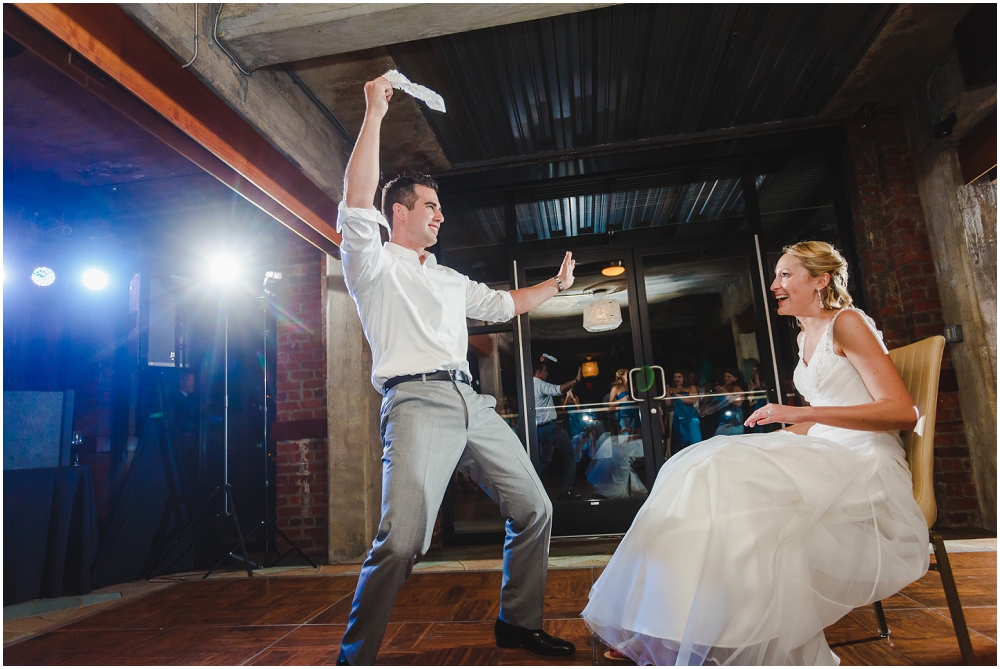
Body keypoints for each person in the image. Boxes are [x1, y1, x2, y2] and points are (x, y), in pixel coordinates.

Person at [583, 241, 929, 665]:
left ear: (821, 280)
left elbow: (901, 412)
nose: (774, 284)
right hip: (824, 451)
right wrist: (774, 435)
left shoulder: (847, 322)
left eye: (786, 275)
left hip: (863, 463)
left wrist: (801, 414)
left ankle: (718, 641)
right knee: (700, 465)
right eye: (776, 275)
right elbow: (817, 419)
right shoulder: (805, 334)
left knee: (732, 488)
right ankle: (677, 632)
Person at [336, 77, 578, 665]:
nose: (442, 216)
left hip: (472, 404)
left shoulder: (448, 279)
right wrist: (374, 112)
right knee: (404, 541)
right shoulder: (371, 264)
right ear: (400, 213)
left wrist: (556, 285)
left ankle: (518, 624)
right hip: (416, 403)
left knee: (534, 508)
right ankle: (356, 654)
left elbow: (501, 306)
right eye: (432, 207)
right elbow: (357, 196)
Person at [533, 359, 582, 497]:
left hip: (538, 428)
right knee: (571, 454)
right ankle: (565, 490)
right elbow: (558, 389)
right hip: (550, 428)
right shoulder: (540, 384)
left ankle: (528, 485)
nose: (547, 373)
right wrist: (576, 380)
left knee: (544, 460)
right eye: (545, 371)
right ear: (538, 372)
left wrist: (541, 358)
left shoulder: (528, 385)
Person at [666, 370, 701, 451]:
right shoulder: (672, 390)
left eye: (679, 377)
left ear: (684, 378)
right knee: (681, 440)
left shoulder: (691, 388)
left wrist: (676, 394)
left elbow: (692, 401)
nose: (677, 379)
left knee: (694, 439)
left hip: (690, 416)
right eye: (675, 377)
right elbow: (668, 404)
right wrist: (668, 393)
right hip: (677, 416)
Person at [712, 368, 746, 436]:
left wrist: (724, 392)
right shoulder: (724, 387)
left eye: (729, 377)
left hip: (734, 419)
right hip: (722, 418)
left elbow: (738, 403)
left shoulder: (737, 388)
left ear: (735, 378)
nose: (726, 378)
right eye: (725, 377)